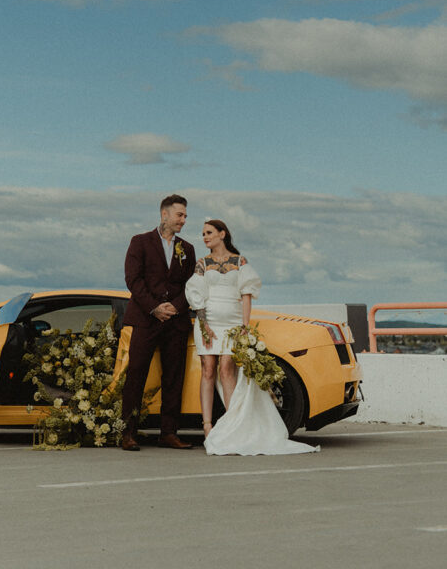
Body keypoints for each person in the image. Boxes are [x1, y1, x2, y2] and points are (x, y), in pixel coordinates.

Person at [185, 219, 319, 456]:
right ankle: (208, 426)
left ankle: (232, 424)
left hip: (232, 322)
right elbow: (196, 292)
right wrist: (203, 324)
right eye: (203, 233)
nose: (204, 237)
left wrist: (245, 326)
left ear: (222, 234)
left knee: (227, 368)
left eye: (209, 232)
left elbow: (246, 294)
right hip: (209, 320)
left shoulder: (240, 262)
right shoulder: (202, 264)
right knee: (208, 369)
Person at [120, 194, 196, 451]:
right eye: (179, 215)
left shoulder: (187, 249)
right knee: (136, 375)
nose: (183, 220)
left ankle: (169, 433)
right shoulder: (139, 242)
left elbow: (191, 285)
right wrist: (154, 307)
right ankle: (128, 433)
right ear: (164, 214)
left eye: (185, 216)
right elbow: (133, 279)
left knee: (174, 377)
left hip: (176, 322)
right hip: (145, 320)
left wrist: (175, 307)